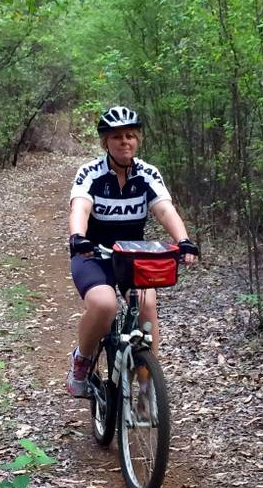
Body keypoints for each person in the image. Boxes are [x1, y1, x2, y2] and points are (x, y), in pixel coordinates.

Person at [66, 105, 199, 397]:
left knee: (147, 307)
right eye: (117, 137)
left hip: (134, 257)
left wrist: (183, 239)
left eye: (130, 136)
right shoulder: (90, 172)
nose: (125, 141)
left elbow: (165, 210)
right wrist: (78, 236)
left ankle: (145, 385)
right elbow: (81, 207)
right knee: (104, 305)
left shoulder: (148, 173)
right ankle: (82, 360)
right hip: (93, 253)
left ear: (137, 140)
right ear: (106, 143)